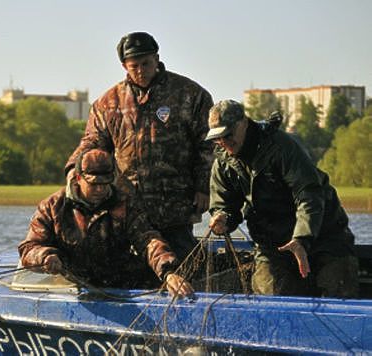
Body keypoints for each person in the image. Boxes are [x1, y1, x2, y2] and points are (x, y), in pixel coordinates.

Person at [65, 32, 214, 263]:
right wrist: (73, 171)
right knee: (127, 268)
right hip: (127, 205)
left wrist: (203, 187)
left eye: (146, 63)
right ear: (124, 65)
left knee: (181, 266)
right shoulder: (108, 103)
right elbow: (93, 143)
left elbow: (208, 144)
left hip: (175, 203)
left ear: (156, 58)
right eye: (134, 65)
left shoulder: (190, 94)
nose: (141, 70)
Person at [206, 100, 359, 297]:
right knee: (268, 294)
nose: (224, 143)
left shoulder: (281, 147)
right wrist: (222, 218)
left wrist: (301, 239)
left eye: (228, 135)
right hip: (272, 243)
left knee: (337, 288)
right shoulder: (223, 162)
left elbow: (308, 194)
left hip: (324, 233)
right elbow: (224, 203)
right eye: (218, 138)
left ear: (243, 123)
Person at [19, 148, 193, 298]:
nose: (101, 190)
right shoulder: (52, 206)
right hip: (74, 284)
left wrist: (168, 272)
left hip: (121, 281)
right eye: (94, 184)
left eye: (105, 183)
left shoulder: (124, 203)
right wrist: (45, 256)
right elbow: (29, 247)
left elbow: (148, 240)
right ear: (78, 178)